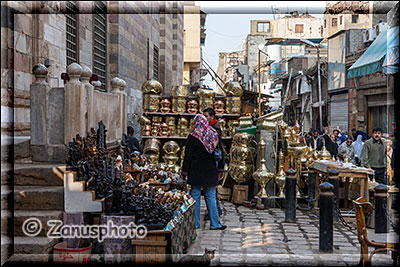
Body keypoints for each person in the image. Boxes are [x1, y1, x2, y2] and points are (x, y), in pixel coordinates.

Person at [181, 114, 226, 230]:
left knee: (195, 196)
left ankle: (194, 223)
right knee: (211, 195)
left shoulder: (193, 136)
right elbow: (220, 153)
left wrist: (184, 172)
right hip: (210, 169)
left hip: (195, 170)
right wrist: (221, 169)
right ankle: (215, 224)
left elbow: (188, 157)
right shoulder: (213, 134)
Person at [202, 107, 223, 219]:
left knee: (210, 188)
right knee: (209, 189)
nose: (204, 118)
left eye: (206, 116)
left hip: (213, 162)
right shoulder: (206, 128)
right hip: (209, 163)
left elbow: (219, 149)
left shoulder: (215, 129)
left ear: (212, 117)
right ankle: (214, 210)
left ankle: (214, 210)